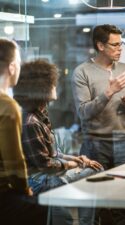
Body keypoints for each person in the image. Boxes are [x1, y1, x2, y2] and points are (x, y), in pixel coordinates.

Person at [13, 59, 103, 225]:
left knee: (94, 169)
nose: (56, 87)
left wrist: (75, 159)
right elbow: (45, 165)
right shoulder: (31, 121)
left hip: (46, 172)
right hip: (37, 179)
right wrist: (73, 165)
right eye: (52, 84)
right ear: (41, 89)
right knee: (57, 182)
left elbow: (52, 153)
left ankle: (86, 223)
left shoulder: (41, 113)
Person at [72, 24, 125, 170]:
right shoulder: (82, 72)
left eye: (121, 44)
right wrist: (109, 92)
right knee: (96, 190)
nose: (120, 48)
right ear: (101, 46)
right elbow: (83, 112)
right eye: (115, 45)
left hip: (124, 141)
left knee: (124, 189)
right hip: (95, 143)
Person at [0, 38, 48, 225]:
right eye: (19, 63)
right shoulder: (7, 105)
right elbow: (14, 159)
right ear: (12, 67)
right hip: (3, 194)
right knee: (39, 207)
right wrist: (24, 188)